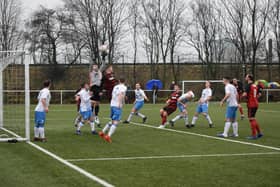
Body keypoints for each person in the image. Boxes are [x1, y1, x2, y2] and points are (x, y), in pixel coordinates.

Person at [99, 78, 127, 143]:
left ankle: (102, 132)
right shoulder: (123, 87)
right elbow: (121, 94)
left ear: (119, 81)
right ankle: (108, 136)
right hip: (117, 105)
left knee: (112, 121)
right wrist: (120, 103)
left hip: (112, 105)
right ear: (124, 81)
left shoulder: (115, 86)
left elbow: (113, 95)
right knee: (116, 122)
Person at [242, 74, 263, 140]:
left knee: (251, 119)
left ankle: (254, 135)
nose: (245, 77)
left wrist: (241, 97)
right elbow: (258, 94)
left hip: (251, 104)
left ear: (249, 78)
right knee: (253, 118)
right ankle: (259, 133)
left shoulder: (248, 85)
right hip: (255, 103)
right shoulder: (255, 85)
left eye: (246, 77)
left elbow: (245, 94)